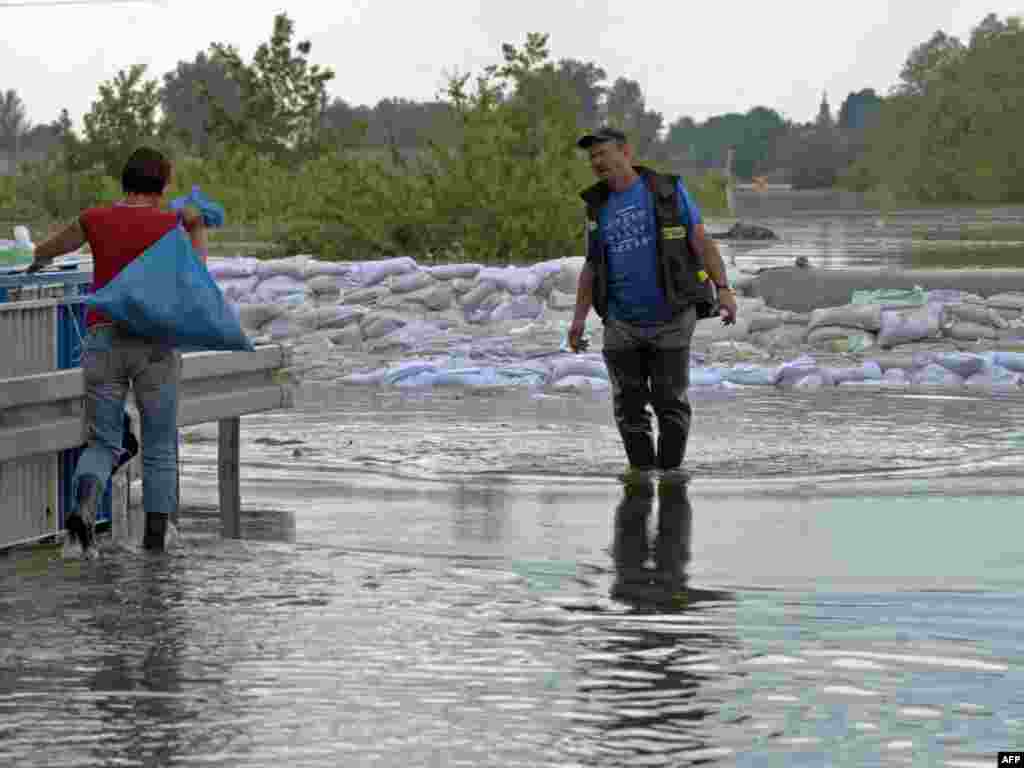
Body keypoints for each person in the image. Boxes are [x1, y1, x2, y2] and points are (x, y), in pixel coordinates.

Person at [28, 147, 208, 555]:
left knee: (103, 442)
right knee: (160, 445)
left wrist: (37, 259)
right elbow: (198, 278)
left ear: (124, 182)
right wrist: (196, 229)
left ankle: (83, 518)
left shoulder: (95, 218)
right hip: (155, 345)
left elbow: (51, 247)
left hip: (103, 340)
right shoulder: (170, 226)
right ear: (162, 186)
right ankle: (155, 542)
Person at [569, 127, 738, 474]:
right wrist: (578, 319)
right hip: (620, 321)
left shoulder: (666, 191)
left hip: (672, 317)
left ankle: (671, 476)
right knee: (628, 405)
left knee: (669, 402)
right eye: (592, 157)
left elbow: (701, 242)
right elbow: (591, 266)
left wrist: (723, 288)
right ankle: (641, 476)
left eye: (603, 153)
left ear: (626, 153)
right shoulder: (596, 205)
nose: (597, 162)